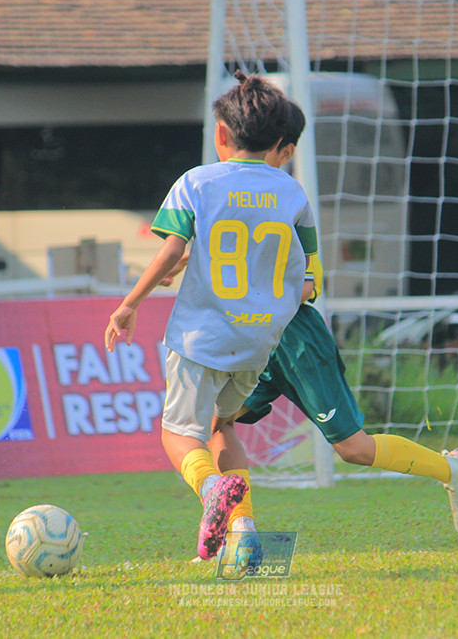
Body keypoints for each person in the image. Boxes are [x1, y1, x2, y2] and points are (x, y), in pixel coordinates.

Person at [196, 101, 458, 559]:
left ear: (284, 151)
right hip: (248, 339)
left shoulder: (286, 200)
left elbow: (313, 277)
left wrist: (282, 287)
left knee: (353, 449)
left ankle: (453, 469)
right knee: (218, 422)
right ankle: (242, 530)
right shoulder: (225, 193)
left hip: (294, 340)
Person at [104, 73, 318, 561]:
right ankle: (244, 536)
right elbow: (300, 267)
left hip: (203, 336)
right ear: (278, 139)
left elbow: (172, 246)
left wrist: (129, 303)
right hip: (259, 340)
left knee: (179, 434)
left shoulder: (196, 182)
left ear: (222, 134)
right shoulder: (292, 194)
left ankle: (211, 492)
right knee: (224, 428)